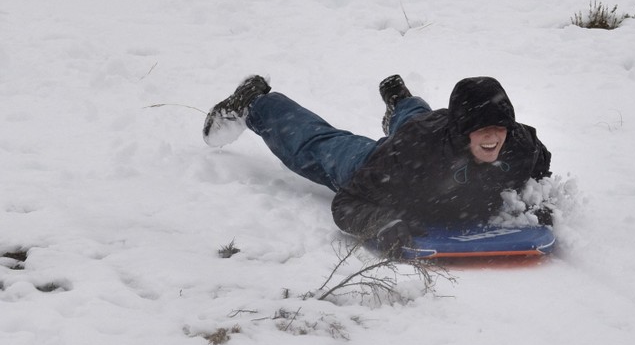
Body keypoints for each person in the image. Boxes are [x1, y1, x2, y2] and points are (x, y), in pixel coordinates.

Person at [202, 74, 552, 253]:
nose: (492, 137)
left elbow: (539, 168)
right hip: (382, 164)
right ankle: (257, 103)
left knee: (418, 122)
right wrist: (380, 223)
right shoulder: (412, 154)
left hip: (426, 135)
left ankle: (402, 102)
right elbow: (347, 203)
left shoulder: (519, 144)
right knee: (316, 147)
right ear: (463, 130)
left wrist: (535, 202)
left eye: (499, 128)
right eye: (481, 129)